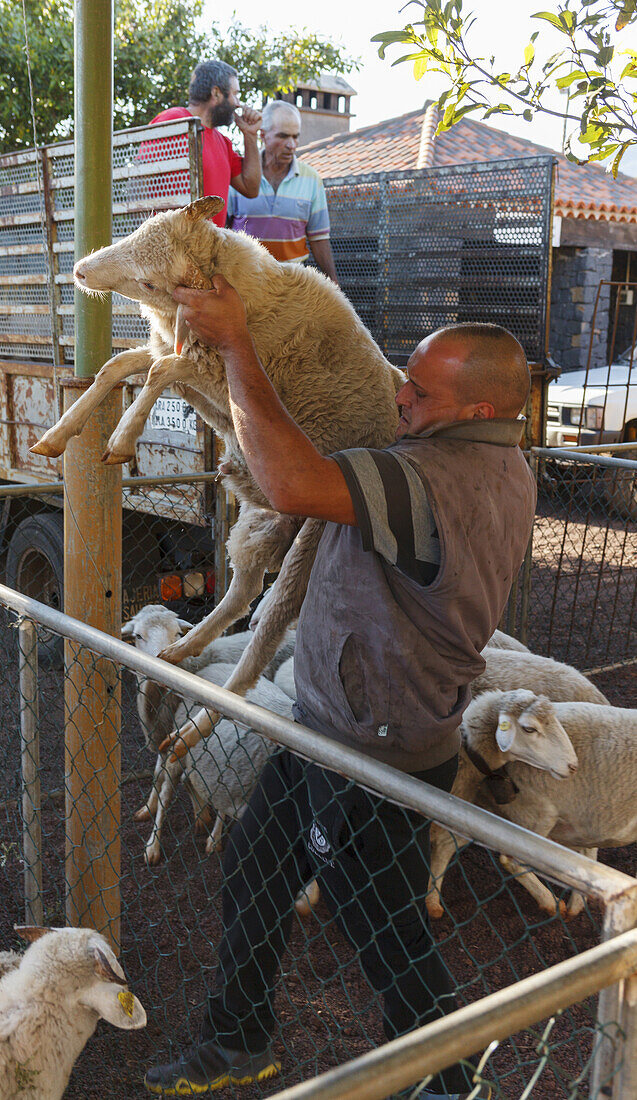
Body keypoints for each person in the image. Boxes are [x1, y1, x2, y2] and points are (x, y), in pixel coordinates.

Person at [144, 278, 536, 1100]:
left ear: (471, 411)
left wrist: (240, 347)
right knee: (255, 870)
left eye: (418, 392)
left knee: (387, 931)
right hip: (332, 728)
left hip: (369, 749)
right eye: (404, 375)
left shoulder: (427, 478)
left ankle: (449, 1081)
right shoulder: (503, 465)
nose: (398, 396)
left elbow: (289, 484)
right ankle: (236, 1038)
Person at [138, 60, 261, 228]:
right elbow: (140, 179)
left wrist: (250, 135)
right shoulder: (174, 120)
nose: (238, 103)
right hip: (170, 248)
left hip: (205, 251)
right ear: (216, 93)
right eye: (234, 94)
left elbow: (251, 189)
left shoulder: (224, 143)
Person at [227, 100, 339, 282]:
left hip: (291, 286)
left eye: (295, 137)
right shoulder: (238, 177)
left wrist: (334, 285)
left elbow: (319, 238)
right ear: (263, 135)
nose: (292, 145)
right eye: (283, 136)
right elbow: (221, 229)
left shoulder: (311, 179)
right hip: (245, 284)